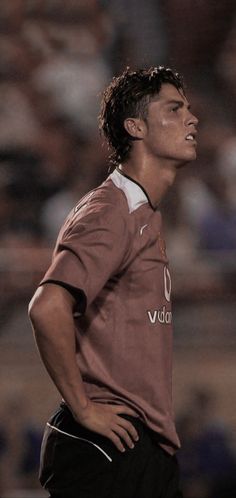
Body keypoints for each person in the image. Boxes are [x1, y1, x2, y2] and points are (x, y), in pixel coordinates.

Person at [28, 66, 198, 498]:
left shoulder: (145, 214)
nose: (191, 119)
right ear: (135, 126)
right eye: (175, 109)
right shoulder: (111, 209)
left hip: (139, 447)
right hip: (109, 446)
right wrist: (84, 408)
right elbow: (47, 307)